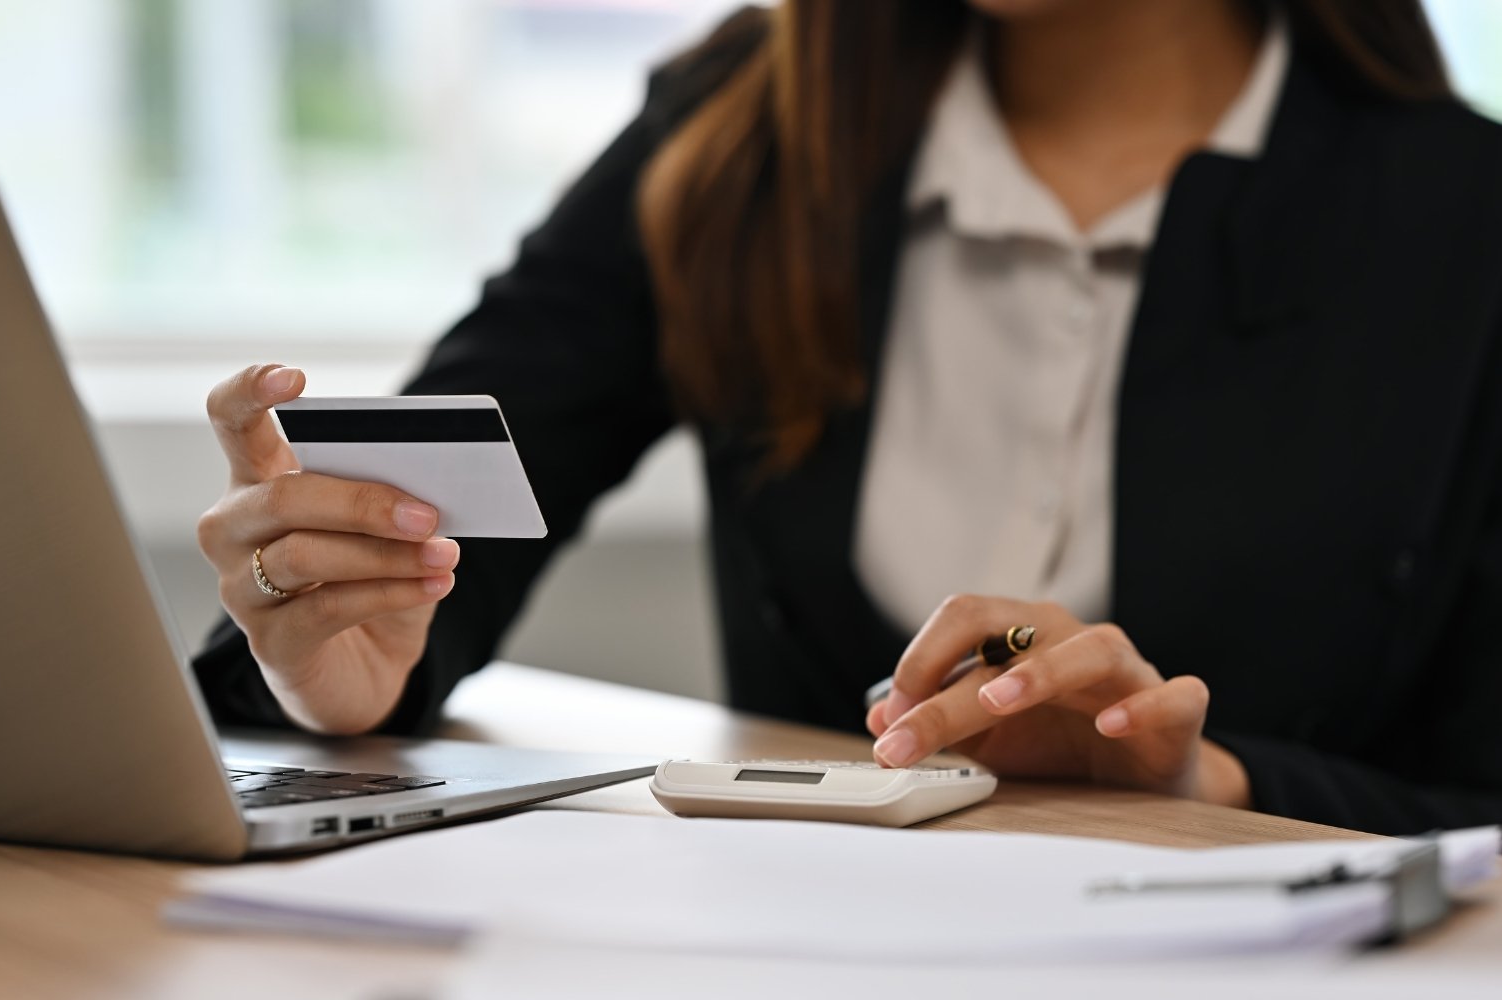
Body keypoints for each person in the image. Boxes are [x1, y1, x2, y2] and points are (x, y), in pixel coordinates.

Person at [193, 0, 1502, 836]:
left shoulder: (1464, 221)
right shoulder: (738, 130)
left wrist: (1222, 785)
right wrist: (332, 661)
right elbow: (427, 518)